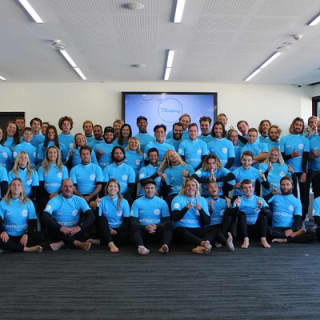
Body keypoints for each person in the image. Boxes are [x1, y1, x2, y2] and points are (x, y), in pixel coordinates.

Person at [41, 179, 95, 251]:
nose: (68, 189)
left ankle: (61, 243)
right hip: (59, 231)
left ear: (73, 188)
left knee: (87, 219)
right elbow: (45, 216)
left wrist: (79, 227)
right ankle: (78, 243)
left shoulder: (80, 200)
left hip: (75, 231)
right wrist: (60, 227)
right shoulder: (54, 200)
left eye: (70, 186)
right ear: (61, 188)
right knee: (49, 223)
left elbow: (91, 216)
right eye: (65, 186)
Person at [0, 178, 43, 253]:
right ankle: (27, 249)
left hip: (22, 236)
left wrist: (26, 234)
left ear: (22, 189)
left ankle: (10, 247)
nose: (16, 187)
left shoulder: (29, 202)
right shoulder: (3, 203)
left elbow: (32, 222)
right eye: (14, 185)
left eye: (18, 185)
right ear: (10, 188)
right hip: (8, 236)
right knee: (1, 239)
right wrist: (2, 232)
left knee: (42, 236)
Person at [131, 179, 172, 255]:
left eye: (152, 188)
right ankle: (141, 247)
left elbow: (167, 220)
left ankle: (165, 245)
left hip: (157, 230)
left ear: (155, 189)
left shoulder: (162, 202)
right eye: (147, 188)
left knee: (169, 225)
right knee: (134, 227)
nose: (149, 190)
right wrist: (145, 227)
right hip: (143, 232)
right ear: (144, 189)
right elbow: (133, 221)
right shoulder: (137, 202)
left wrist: (156, 226)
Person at [171, 177, 211, 254]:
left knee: (215, 229)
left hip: (196, 229)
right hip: (183, 229)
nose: (191, 187)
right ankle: (203, 243)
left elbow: (207, 222)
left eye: (193, 185)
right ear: (184, 188)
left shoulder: (202, 200)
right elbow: (175, 218)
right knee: (179, 231)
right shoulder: (177, 199)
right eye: (188, 185)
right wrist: (186, 208)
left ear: (196, 188)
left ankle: (198, 247)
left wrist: (200, 210)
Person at [268, 176, 314, 244]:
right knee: (265, 230)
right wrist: (271, 194)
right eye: (283, 185)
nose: (285, 187)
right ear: (280, 186)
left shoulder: (296, 201)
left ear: (292, 186)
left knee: (311, 234)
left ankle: (285, 239)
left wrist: (291, 230)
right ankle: (290, 237)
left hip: (289, 228)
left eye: (287, 184)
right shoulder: (275, 196)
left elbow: (298, 219)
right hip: (276, 229)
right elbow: (263, 203)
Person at [280, 117, 309, 219]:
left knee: (304, 196)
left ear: (302, 128)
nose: (298, 126)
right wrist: (291, 155)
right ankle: (292, 217)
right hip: (288, 172)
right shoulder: (284, 138)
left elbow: (305, 157)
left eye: (300, 125)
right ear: (293, 125)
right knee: (291, 196)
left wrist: (304, 172)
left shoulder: (305, 140)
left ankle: (303, 218)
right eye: (296, 124)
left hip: (301, 172)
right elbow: (281, 157)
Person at [96, 179, 130, 253]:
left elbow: (126, 221)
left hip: (119, 230)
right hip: (106, 229)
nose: (112, 188)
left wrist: (116, 231)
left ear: (118, 189)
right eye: (110, 186)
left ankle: (102, 241)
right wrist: (97, 206)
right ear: (107, 188)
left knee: (126, 240)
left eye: (115, 186)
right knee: (102, 220)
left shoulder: (124, 202)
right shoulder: (101, 200)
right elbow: (99, 218)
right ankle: (111, 244)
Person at [234, 179, 271, 249]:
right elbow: (233, 217)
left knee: (263, 215)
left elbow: (269, 215)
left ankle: (263, 239)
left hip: (257, 228)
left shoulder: (260, 199)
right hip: (243, 229)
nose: (248, 189)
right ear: (242, 190)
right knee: (241, 214)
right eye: (245, 188)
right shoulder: (238, 200)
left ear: (253, 188)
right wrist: (237, 206)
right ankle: (246, 239)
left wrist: (261, 207)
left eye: (250, 187)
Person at [203, 182, 235, 251]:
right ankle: (224, 241)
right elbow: (203, 217)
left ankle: (213, 241)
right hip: (210, 226)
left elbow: (231, 216)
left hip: (222, 226)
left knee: (229, 216)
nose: (213, 188)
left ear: (219, 189)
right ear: (208, 190)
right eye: (211, 187)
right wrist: (210, 209)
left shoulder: (225, 201)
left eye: (215, 187)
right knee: (214, 231)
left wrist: (229, 206)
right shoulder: (204, 201)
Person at [38, 146, 69, 212]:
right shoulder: (41, 168)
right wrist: (49, 195)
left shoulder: (63, 168)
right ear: (47, 155)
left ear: (58, 154)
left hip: (60, 195)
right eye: (50, 152)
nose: (52, 154)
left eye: (54, 152)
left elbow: (65, 184)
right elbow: (40, 185)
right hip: (45, 196)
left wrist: (58, 194)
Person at [309, 120, 320, 198]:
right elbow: (307, 157)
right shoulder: (311, 139)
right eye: (319, 126)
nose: (319, 128)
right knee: (317, 196)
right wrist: (313, 156)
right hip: (315, 172)